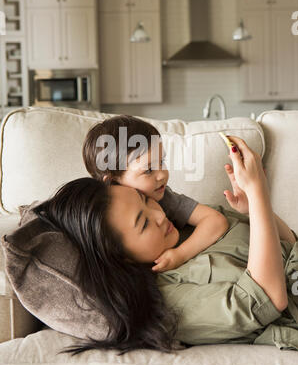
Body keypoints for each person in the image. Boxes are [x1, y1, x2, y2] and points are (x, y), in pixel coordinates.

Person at [32, 136, 298, 355]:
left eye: (145, 201)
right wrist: (258, 193)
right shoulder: (165, 301)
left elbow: (289, 245)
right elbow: (265, 298)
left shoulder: (193, 225)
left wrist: (254, 208)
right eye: (144, 223)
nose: (160, 215)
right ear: (120, 256)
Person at [82, 115, 229, 272]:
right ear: (112, 181)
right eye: (149, 170)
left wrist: (180, 254)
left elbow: (216, 221)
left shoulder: (165, 198)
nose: (162, 175)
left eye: (162, 161)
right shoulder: (97, 220)